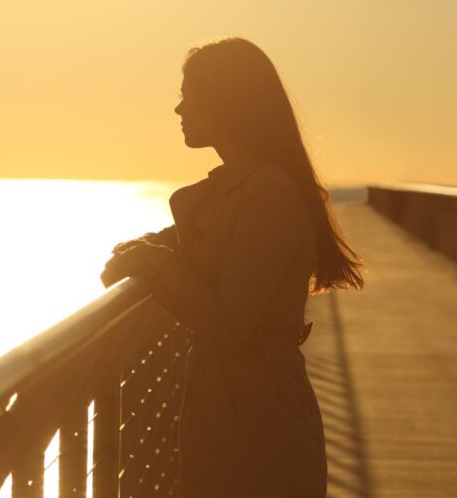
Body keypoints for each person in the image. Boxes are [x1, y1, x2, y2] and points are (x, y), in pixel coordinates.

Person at [100, 37, 364, 498]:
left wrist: (155, 264)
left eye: (188, 92)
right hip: (231, 419)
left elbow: (226, 324)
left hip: (262, 433)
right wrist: (146, 249)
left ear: (225, 98)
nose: (179, 108)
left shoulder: (268, 196)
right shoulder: (232, 191)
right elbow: (201, 250)